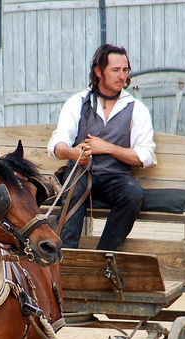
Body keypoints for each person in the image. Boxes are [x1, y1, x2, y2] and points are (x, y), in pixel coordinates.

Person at [48, 43, 156, 251]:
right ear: (99, 71)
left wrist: (108, 148)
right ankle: (66, 255)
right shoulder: (78, 102)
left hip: (115, 177)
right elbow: (57, 144)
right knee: (74, 186)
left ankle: (105, 255)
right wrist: (72, 152)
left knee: (133, 194)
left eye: (125, 70)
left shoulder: (136, 109)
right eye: (115, 70)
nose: (122, 76)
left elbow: (145, 156)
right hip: (81, 172)